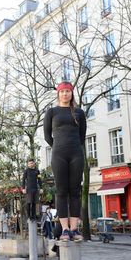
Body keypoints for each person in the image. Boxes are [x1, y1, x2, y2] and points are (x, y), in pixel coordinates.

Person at [43, 82, 86, 241]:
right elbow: (47, 135)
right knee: (61, 192)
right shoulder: (51, 112)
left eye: (68, 91)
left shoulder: (79, 113)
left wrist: (73, 147)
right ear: (58, 94)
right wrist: (58, 147)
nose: (65, 94)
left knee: (75, 191)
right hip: (59, 155)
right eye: (62, 91)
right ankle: (65, 230)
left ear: (71, 93)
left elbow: (82, 136)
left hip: (76, 154)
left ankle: (74, 229)